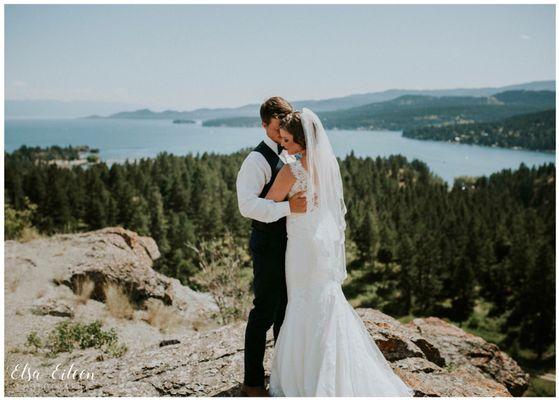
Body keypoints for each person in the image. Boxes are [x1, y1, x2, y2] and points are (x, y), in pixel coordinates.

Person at [264, 108, 415, 397]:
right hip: (321, 245)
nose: (283, 144)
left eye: (287, 140)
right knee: (325, 300)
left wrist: (285, 202)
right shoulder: (328, 166)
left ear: (301, 140)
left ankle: (306, 377)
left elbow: (268, 207)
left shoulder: (291, 170)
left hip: (302, 248)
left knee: (301, 303)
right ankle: (334, 369)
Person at [236, 96, 307, 397]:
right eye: (277, 126)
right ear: (264, 124)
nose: (281, 133)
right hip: (266, 242)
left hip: (291, 242)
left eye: (285, 126)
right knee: (263, 311)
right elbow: (247, 206)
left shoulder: (292, 152)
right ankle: (252, 382)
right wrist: (289, 209)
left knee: (285, 310)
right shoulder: (256, 160)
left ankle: (281, 373)